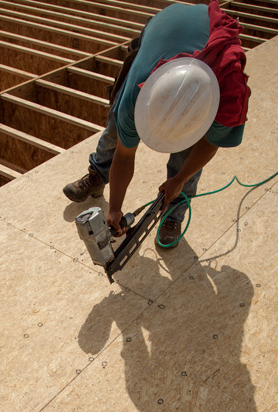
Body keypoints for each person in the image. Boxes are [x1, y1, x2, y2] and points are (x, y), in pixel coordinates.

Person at [63, 0, 250, 248]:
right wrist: (115, 209)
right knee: (118, 124)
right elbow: (125, 154)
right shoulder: (136, 96)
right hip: (164, 25)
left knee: (186, 154)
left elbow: (210, 143)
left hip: (206, 28)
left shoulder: (228, 88)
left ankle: (174, 213)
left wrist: (180, 179)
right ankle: (98, 174)